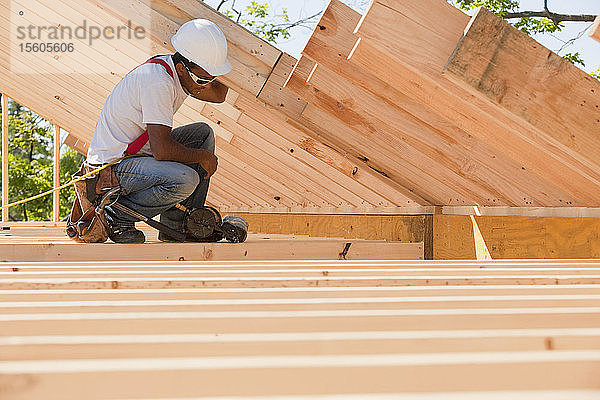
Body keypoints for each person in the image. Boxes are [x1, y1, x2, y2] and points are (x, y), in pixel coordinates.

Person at [86, 19, 231, 243]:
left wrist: (212, 76)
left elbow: (219, 95)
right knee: (185, 179)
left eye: (210, 78)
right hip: (112, 167)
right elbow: (162, 150)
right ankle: (116, 216)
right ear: (182, 68)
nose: (205, 85)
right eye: (202, 79)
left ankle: (179, 224)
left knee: (202, 134)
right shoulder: (157, 81)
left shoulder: (179, 74)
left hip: (136, 155)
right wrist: (202, 156)